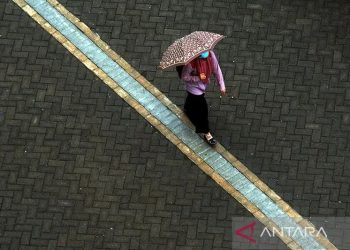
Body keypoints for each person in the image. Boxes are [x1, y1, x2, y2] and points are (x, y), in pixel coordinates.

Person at [181, 50, 226, 146]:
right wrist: (198, 78)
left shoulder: (210, 54)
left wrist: (221, 85)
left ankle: (187, 108)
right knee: (203, 109)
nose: (205, 60)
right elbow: (184, 77)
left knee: (192, 100)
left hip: (202, 85)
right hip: (194, 88)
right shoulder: (190, 63)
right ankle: (207, 133)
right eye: (202, 58)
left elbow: (217, 69)